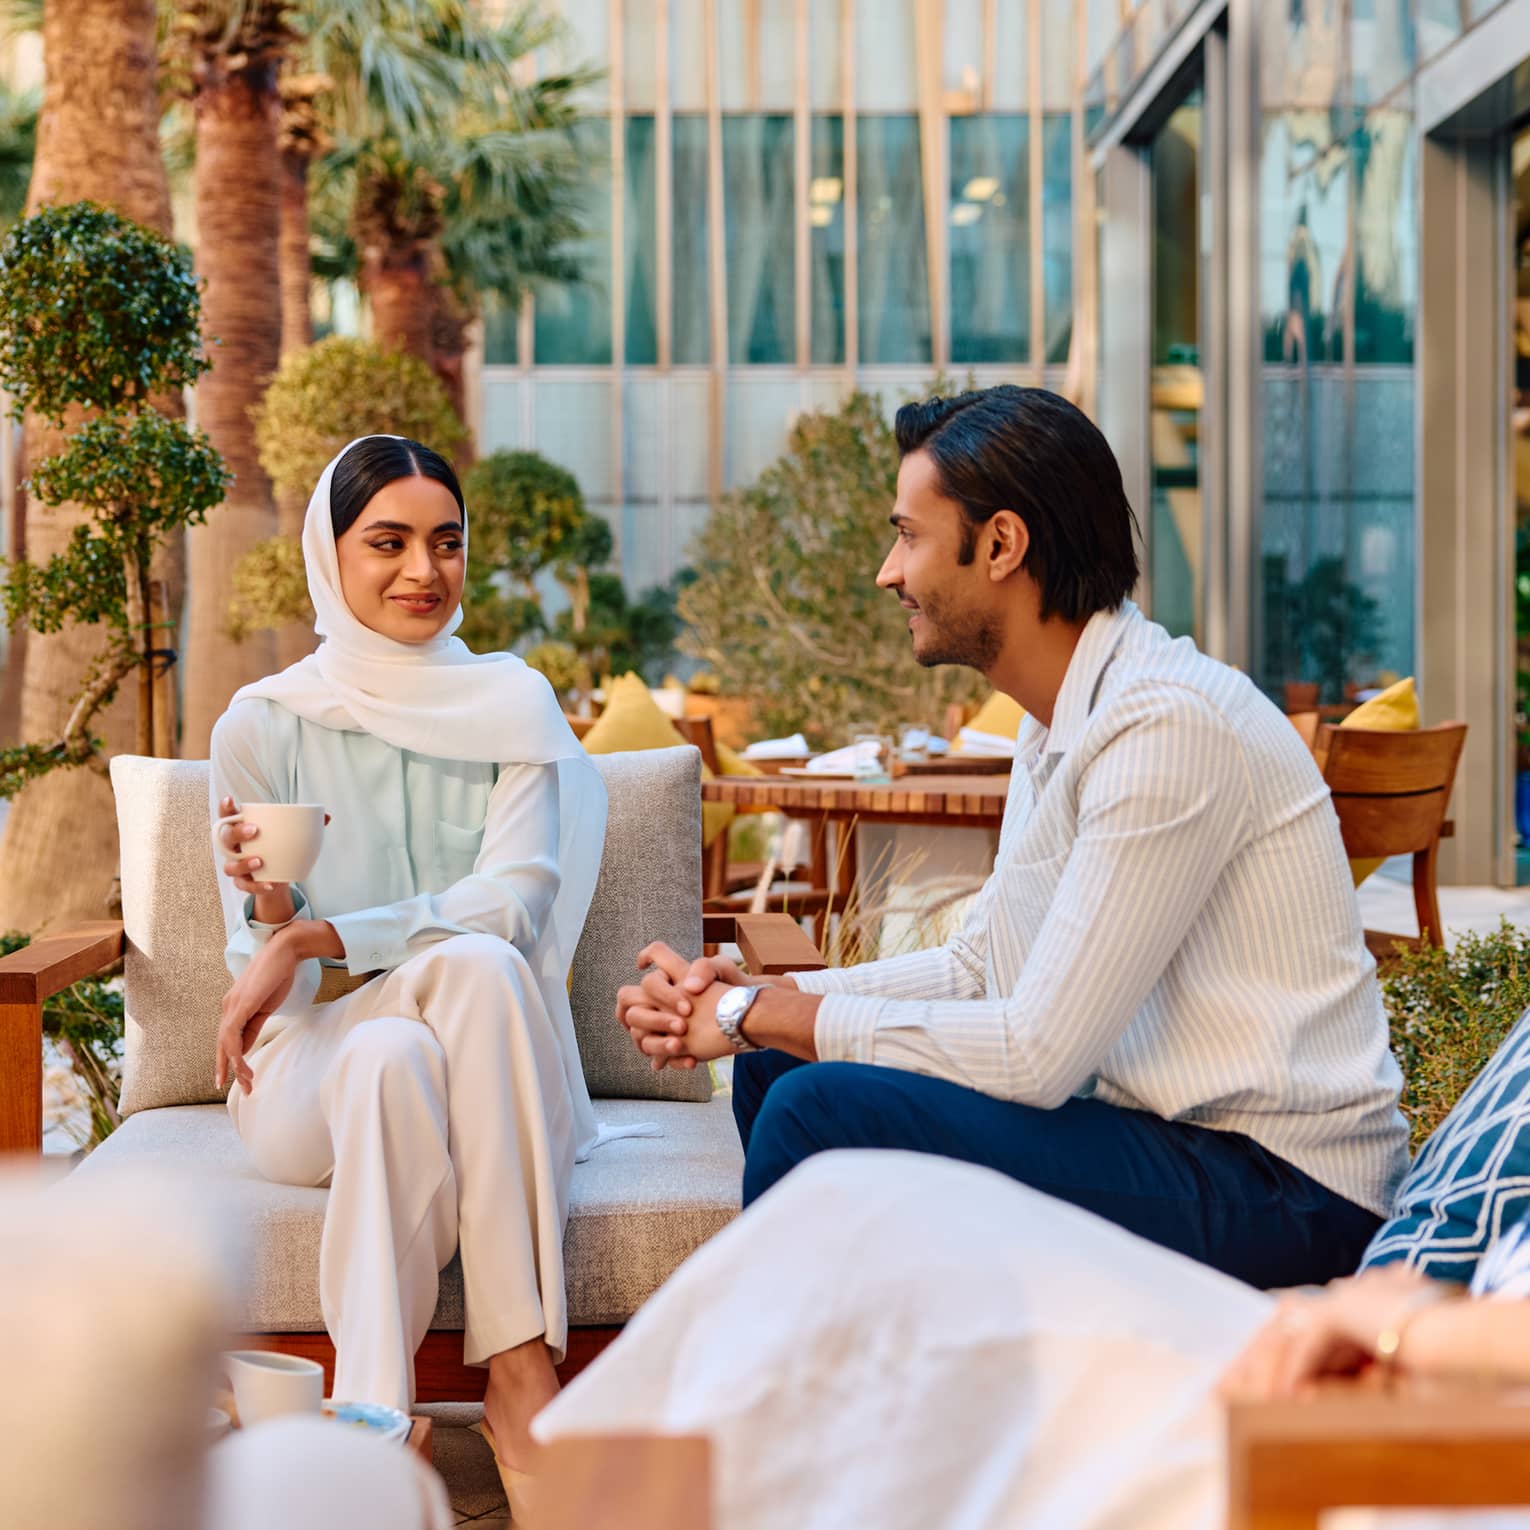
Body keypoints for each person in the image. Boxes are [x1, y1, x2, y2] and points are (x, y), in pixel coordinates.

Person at [618, 384, 1408, 1289]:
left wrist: (760, 1014)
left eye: (909, 536)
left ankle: (793, 1373)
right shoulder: (1060, 720)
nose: (888, 572)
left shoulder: (1166, 725)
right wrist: (765, 999)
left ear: (1001, 544)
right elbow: (980, 964)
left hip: (1287, 1189)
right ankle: (900, 1351)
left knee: (815, 1106)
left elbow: (1037, 1055)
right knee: (775, 1071)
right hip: (1172, 1141)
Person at [208, 434, 622, 1510]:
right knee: (463, 975)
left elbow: (516, 901)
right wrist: (275, 915)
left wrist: (322, 935)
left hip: (461, 1062)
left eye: (446, 542)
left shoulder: (511, 707)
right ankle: (520, 1372)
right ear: (330, 554)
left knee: (408, 1039)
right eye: (387, 543)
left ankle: (375, 1431)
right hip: (300, 1074)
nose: (423, 572)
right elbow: (275, 993)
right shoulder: (262, 724)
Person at [534, 1149, 1530, 1530]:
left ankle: (597, 1498)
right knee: (854, 1207)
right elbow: (997, 971)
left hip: (1422, 1426)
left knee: (858, 1219)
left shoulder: (1168, 754)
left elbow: (1045, 1040)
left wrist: (1409, 1324)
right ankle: (602, 1498)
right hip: (1403, 1367)